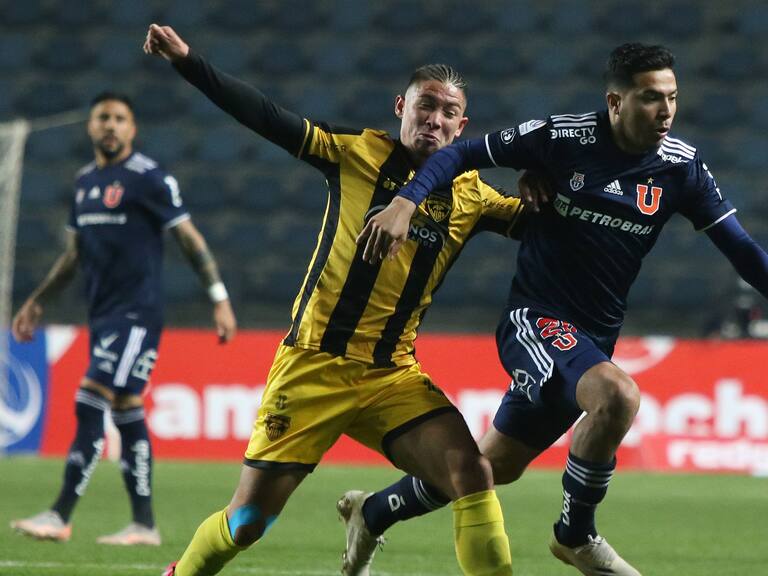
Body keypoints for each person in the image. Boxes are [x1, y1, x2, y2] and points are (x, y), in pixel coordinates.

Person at [352, 43, 768, 576]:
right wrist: (407, 201)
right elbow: (460, 154)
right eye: (649, 98)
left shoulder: (681, 168)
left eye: (672, 98)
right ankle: (576, 536)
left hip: (593, 336)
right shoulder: (563, 137)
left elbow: (743, 250)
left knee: (490, 467)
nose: (664, 110)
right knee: (617, 395)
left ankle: (372, 511)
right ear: (615, 102)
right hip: (534, 319)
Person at [143, 22, 537, 576]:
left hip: (391, 376)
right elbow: (265, 116)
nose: (436, 120)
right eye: (426, 106)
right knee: (249, 522)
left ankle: (387, 521)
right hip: (312, 365)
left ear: (463, 125)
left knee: (472, 473)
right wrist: (189, 61)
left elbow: (547, 224)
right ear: (402, 106)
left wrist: (551, 180)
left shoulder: (472, 194)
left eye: (449, 113)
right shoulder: (354, 153)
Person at [10, 91, 237, 546]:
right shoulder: (84, 182)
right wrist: (37, 300)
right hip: (104, 314)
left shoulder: (148, 178)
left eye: (119, 118)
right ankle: (144, 525)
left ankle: (60, 514)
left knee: (89, 397)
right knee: (126, 408)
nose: (110, 125)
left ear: (132, 128)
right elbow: (73, 256)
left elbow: (189, 239)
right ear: (91, 126)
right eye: (102, 118)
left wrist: (219, 297)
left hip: (137, 313)